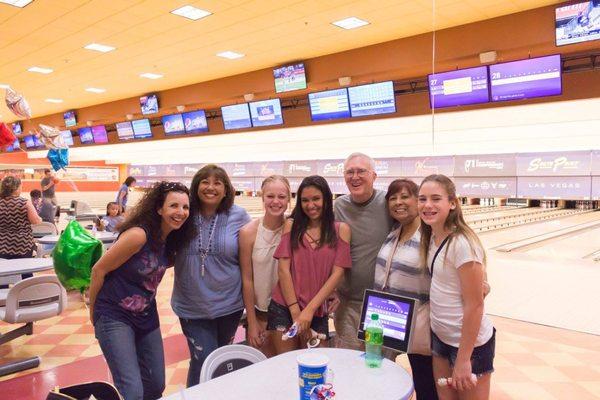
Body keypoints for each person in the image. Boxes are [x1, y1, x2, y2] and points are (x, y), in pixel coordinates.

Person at [89, 181, 190, 400]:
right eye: (174, 206)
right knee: (132, 391)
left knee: (155, 385)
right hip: (114, 314)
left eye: (185, 207)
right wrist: (94, 314)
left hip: (146, 315)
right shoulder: (139, 235)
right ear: (159, 208)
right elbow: (99, 270)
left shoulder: (171, 239)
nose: (180, 212)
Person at [171, 164, 251, 387]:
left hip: (229, 305)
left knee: (220, 361)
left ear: (226, 189)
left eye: (218, 183)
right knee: (204, 359)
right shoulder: (183, 214)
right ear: (196, 187)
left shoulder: (239, 215)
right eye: (205, 182)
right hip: (191, 306)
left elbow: (251, 258)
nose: (211, 187)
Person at [418, 175, 495, 400]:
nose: (427, 205)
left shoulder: (462, 244)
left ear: (452, 203)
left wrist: (463, 359)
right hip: (441, 339)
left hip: (471, 348)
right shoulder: (432, 237)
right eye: (422, 199)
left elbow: (475, 306)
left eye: (435, 199)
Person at [268, 175, 351, 354]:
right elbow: (283, 270)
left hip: (317, 311)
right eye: (305, 200)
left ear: (326, 199)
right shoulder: (292, 225)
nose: (310, 205)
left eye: (316, 199)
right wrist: (296, 313)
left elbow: (338, 274)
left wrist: (308, 312)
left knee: (316, 368)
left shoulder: (341, 230)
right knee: (285, 367)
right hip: (284, 307)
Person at [374, 179, 438, 400]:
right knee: (382, 381)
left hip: (422, 325)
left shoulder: (430, 235)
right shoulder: (394, 232)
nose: (398, 202)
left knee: (427, 387)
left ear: (417, 200)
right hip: (390, 322)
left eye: (405, 196)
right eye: (393, 198)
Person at [333, 152, 393, 350]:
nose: (355, 176)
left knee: (379, 363)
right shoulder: (337, 206)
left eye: (361, 171)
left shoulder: (389, 202)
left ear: (374, 176)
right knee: (351, 364)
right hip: (348, 303)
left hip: (383, 304)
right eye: (350, 172)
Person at [239, 175, 291, 356]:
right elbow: (247, 279)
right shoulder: (248, 233)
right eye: (270, 196)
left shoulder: (294, 229)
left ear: (289, 200)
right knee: (265, 369)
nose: (276, 201)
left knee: (288, 368)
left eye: (282, 197)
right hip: (261, 315)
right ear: (262, 197)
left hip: (290, 313)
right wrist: (252, 322)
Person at [0, 176, 42, 283]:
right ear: (16, 188)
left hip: (2, 245)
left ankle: (3, 296)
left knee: (3, 274)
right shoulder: (24, 202)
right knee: (25, 272)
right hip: (22, 244)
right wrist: (39, 218)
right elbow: (35, 221)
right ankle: (25, 295)